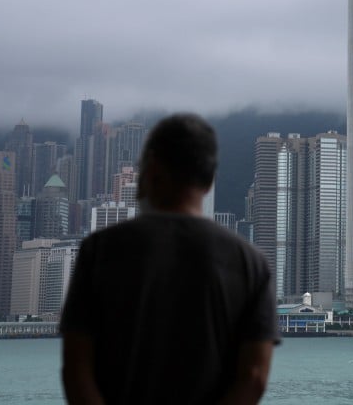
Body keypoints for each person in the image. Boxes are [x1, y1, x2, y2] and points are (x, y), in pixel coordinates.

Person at [60, 113, 278, 404]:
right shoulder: (251, 261)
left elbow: (77, 370)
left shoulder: (99, 250)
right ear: (210, 180)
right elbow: (254, 376)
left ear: (151, 169)